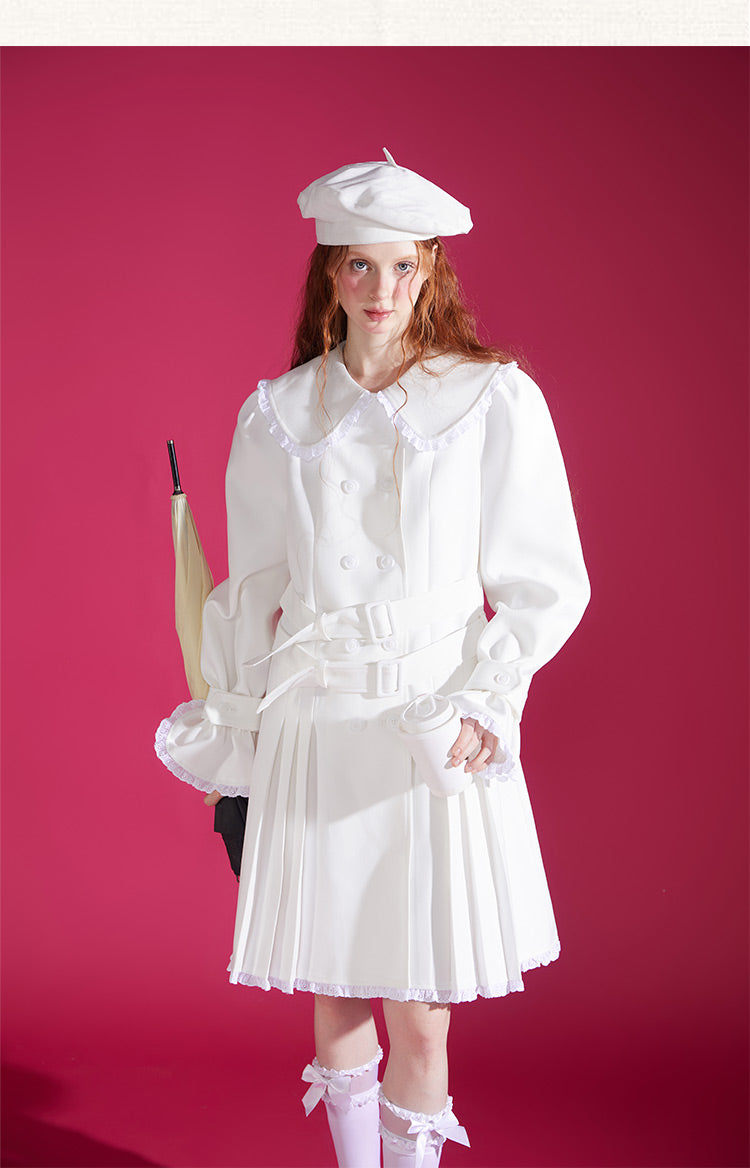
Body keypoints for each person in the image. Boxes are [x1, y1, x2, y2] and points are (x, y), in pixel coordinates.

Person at [155, 148, 591, 1168]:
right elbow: (250, 591)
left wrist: (489, 698)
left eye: (402, 266)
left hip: (428, 726)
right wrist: (237, 733)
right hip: (319, 724)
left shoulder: (490, 401)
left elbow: (544, 579)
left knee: (424, 1021)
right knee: (337, 998)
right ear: (331, 274)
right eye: (359, 265)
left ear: (430, 270)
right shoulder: (278, 414)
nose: (381, 290)